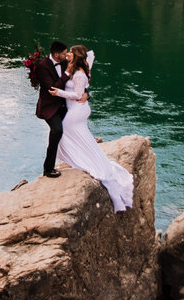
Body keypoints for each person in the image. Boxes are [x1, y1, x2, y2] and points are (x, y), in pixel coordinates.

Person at [51, 45, 134, 213]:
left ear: (76, 57)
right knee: (80, 137)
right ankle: (71, 160)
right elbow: (90, 54)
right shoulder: (78, 68)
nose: (68, 55)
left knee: (63, 133)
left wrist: (58, 93)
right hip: (78, 109)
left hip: (77, 110)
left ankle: (71, 161)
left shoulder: (80, 74)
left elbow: (77, 95)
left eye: (71, 53)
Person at [30, 40, 68, 178]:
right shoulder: (42, 66)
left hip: (65, 104)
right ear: (56, 55)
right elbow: (53, 88)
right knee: (57, 131)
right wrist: (67, 74)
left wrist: (85, 92)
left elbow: (77, 79)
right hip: (49, 107)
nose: (66, 55)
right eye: (64, 53)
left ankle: (72, 159)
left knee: (72, 129)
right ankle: (48, 168)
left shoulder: (65, 62)